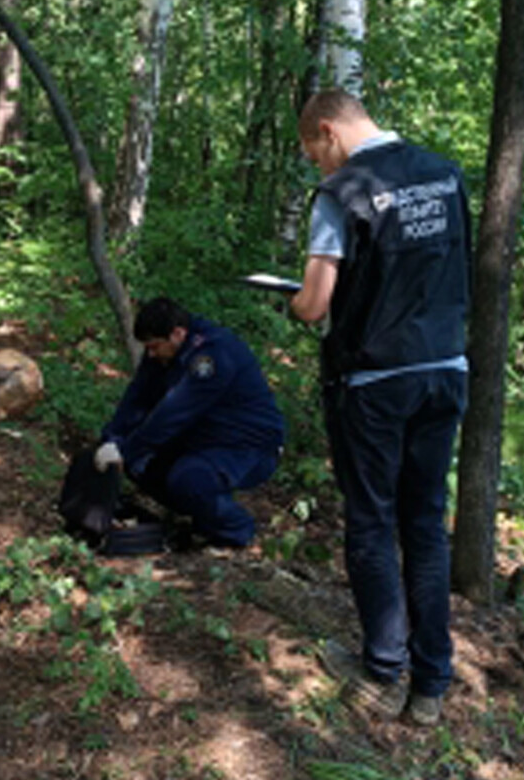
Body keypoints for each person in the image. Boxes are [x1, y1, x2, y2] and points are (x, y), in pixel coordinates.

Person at [287, 88, 471, 727]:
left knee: (370, 521)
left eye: (316, 154)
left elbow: (314, 306)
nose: (319, 167)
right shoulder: (445, 174)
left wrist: (295, 300)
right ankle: (431, 685)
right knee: (424, 523)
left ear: (329, 132)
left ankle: (383, 672)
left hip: (375, 381)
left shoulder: (343, 192)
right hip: (445, 370)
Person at [94, 297, 284, 549]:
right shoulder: (164, 352)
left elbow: (175, 412)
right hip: (204, 439)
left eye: (154, 347)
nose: (150, 354)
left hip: (247, 446)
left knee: (189, 480)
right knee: (140, 464)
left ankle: (235, 530)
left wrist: (126, 449)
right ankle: (200, 517)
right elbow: (138, 395)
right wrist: (112, 439)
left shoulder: (214, 355)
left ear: (177, 334)